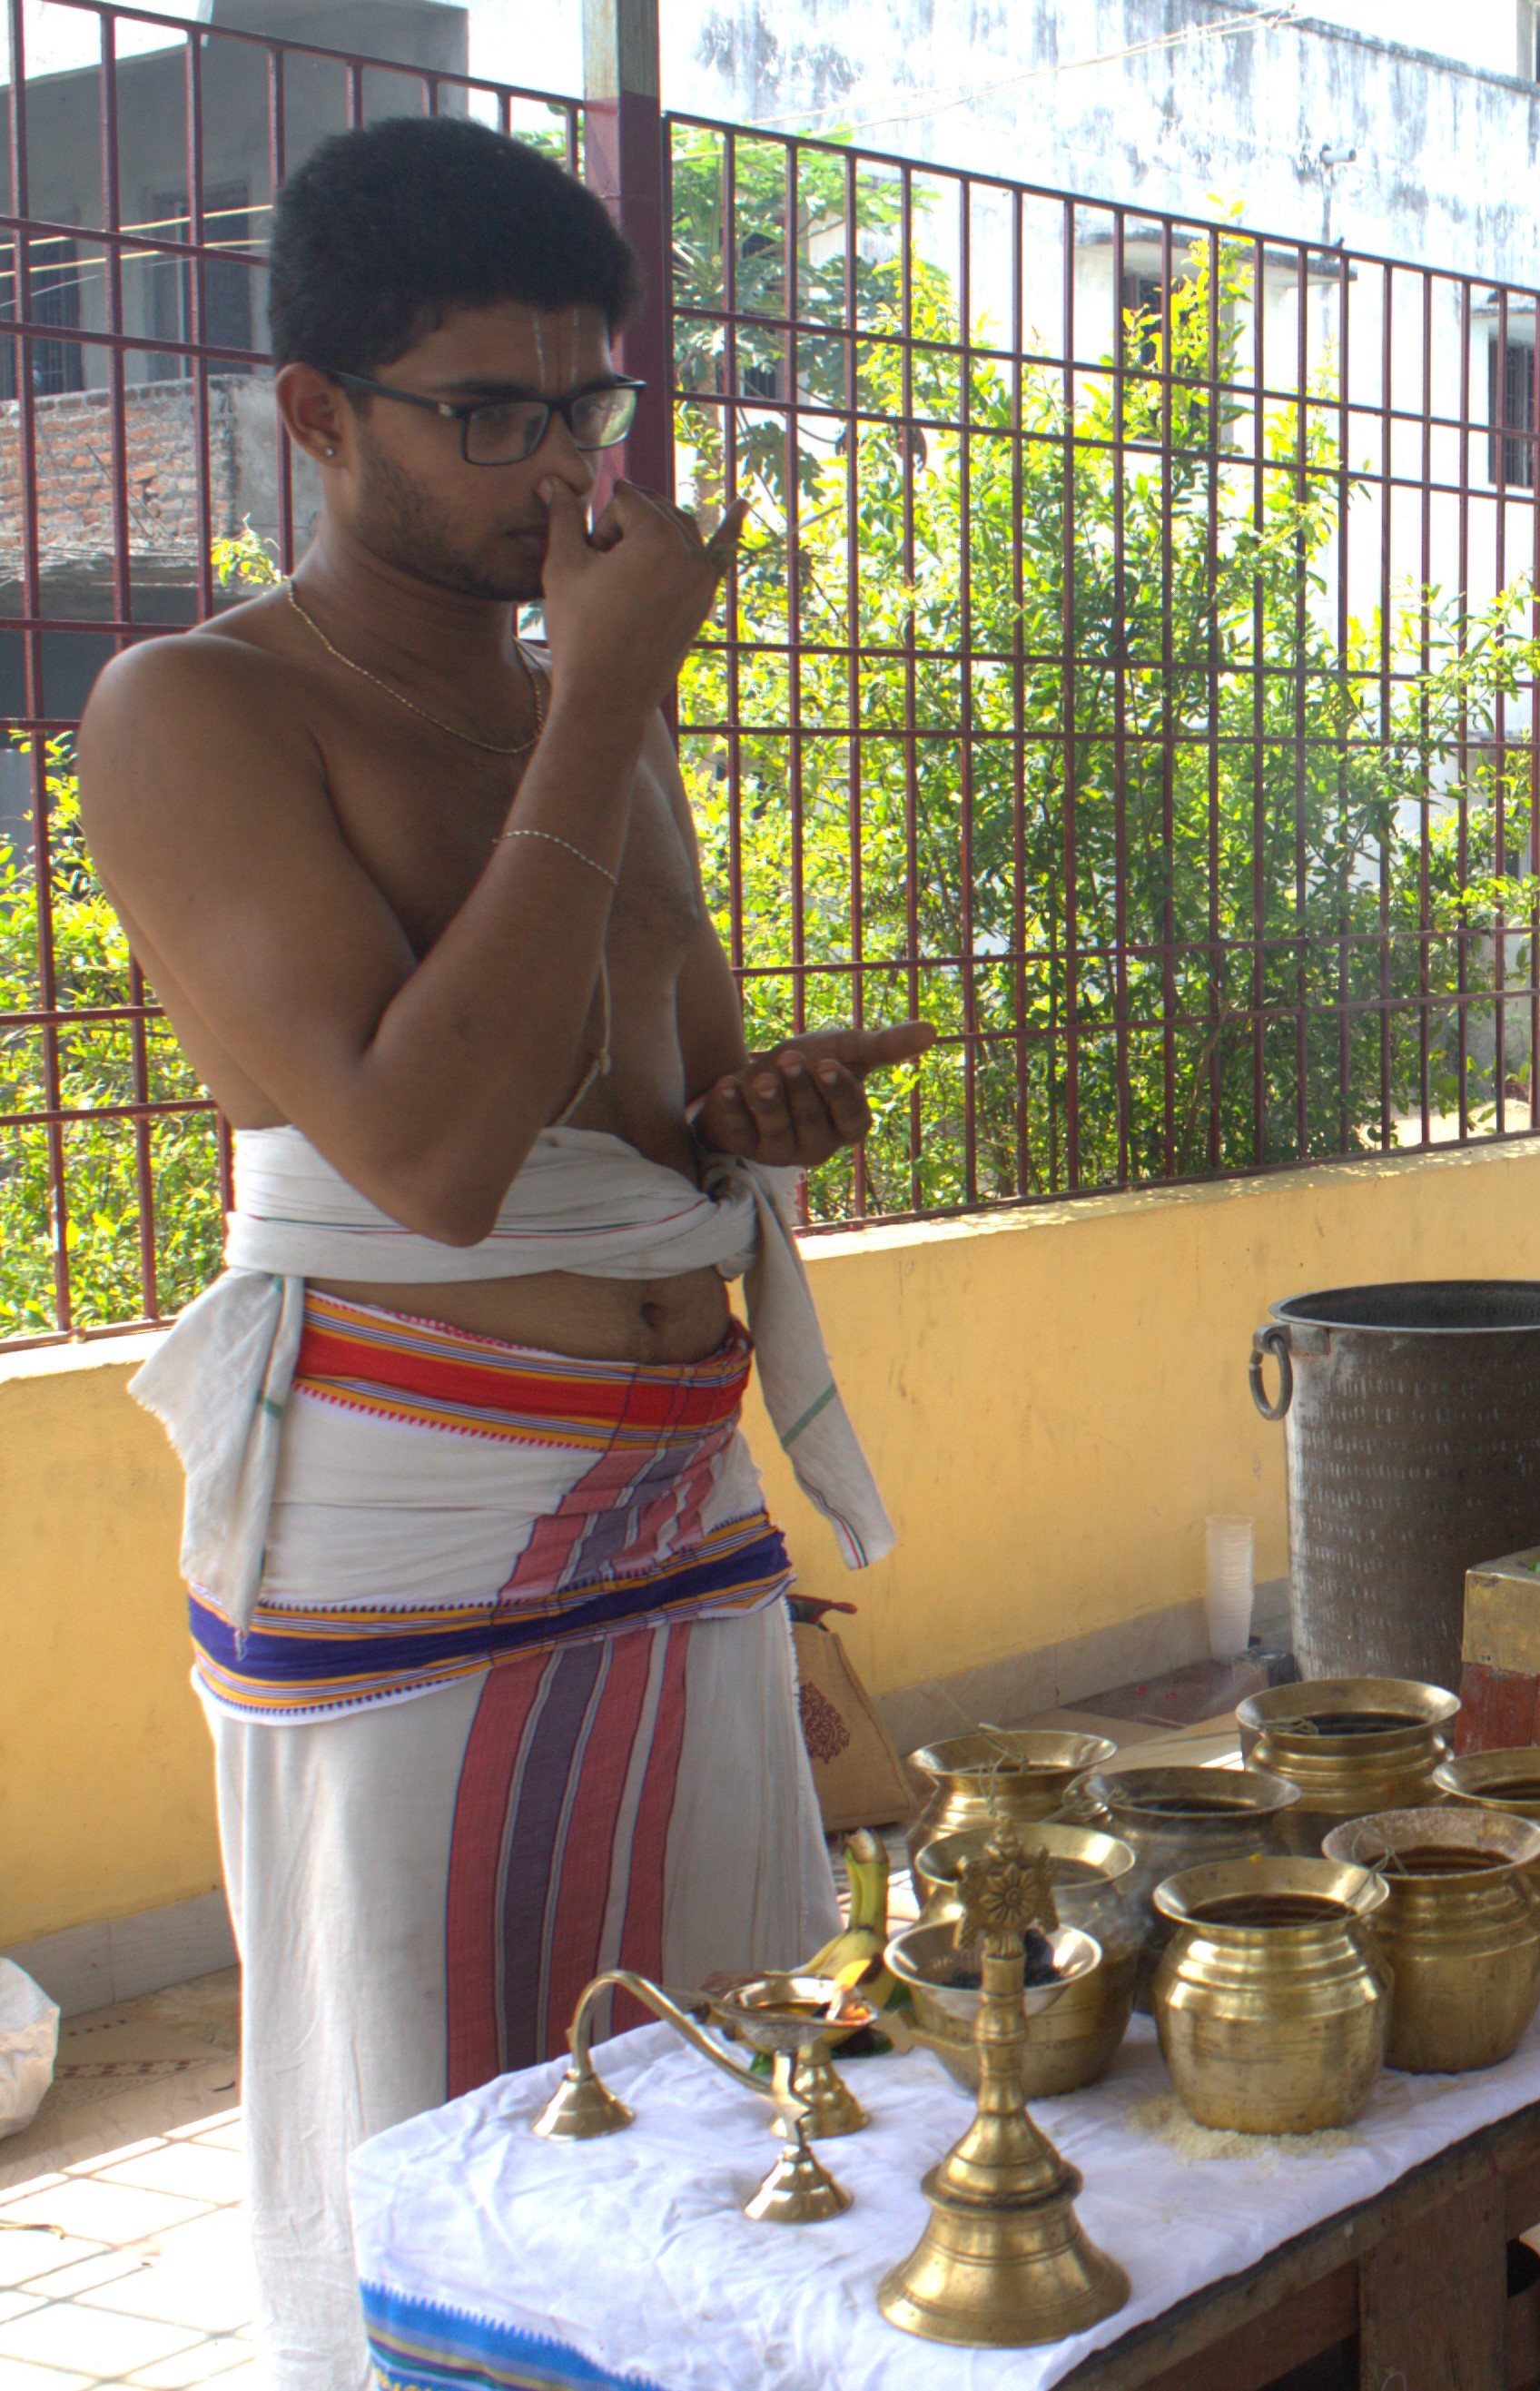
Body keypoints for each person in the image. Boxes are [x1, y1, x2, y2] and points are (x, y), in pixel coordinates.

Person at [74, 118, 929, 2386]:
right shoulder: (200, 711)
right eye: (489, 414)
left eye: (590, 406)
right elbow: (434, 1158)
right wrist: (602, 700)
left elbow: (622, 1092)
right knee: (461, 2120)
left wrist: (744, 1128)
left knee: (731, 2079)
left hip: (670, 1498)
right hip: (417, 1524)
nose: (559, 470)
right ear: (319, 416)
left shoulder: (573, 714)